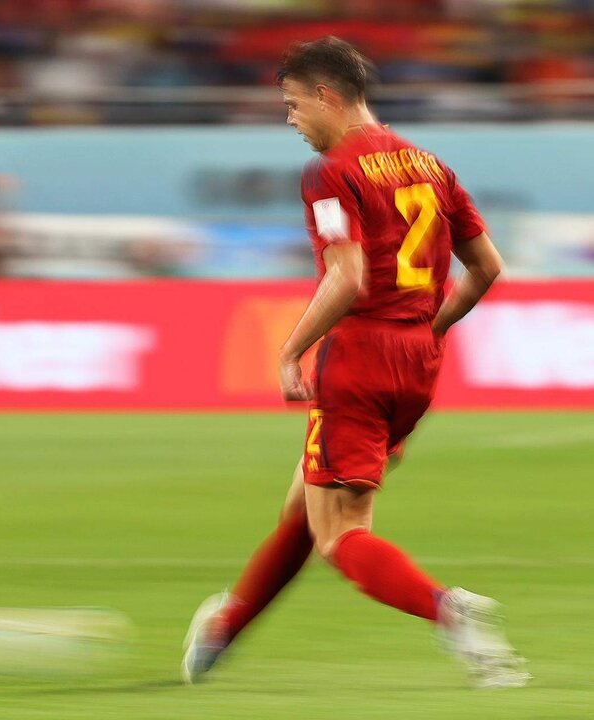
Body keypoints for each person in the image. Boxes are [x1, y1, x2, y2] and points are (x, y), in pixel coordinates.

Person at [181, 37, 527, 688]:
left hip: (359, 358)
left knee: (341, 531)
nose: (289, 120)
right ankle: (223, 631)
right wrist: (429, 327)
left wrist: (289, 351)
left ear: (326, 96)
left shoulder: (330, 171)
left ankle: (445, 611)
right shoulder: (431, 165)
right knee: (306, 508)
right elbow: (485, 269)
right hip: (417, 364)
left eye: (290, 105)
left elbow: (344, 277)